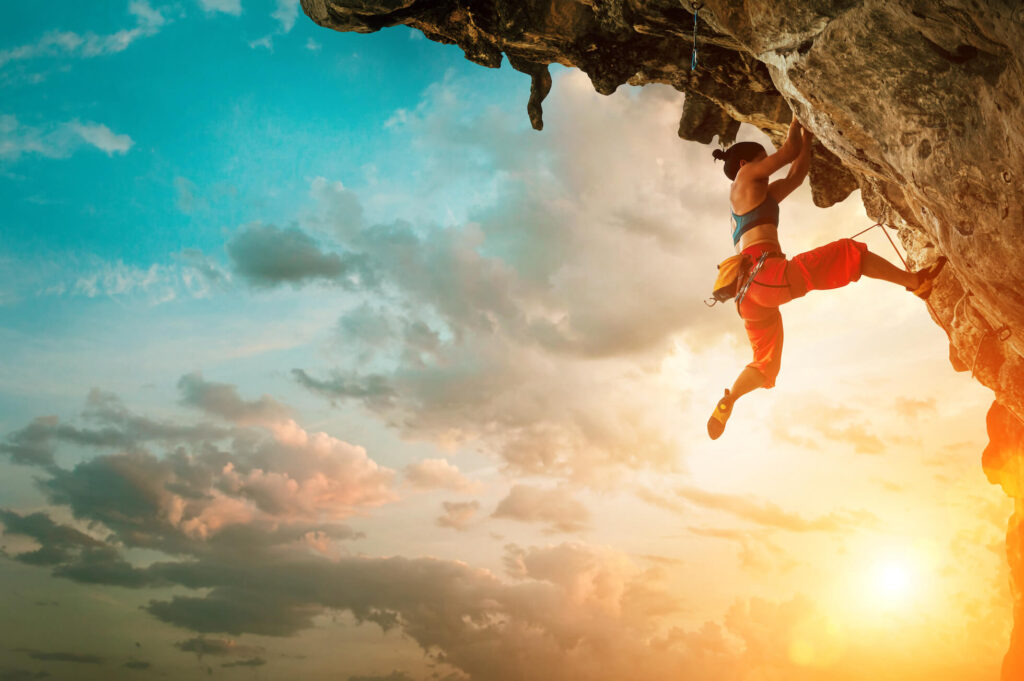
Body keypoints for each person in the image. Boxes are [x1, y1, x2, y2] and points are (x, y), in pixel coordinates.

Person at [706, 118, 946, 440]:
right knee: (848, 254)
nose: (766, 164)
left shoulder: (753, 199)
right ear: (746, 163)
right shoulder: (745, 176)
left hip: (748, 298)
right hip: (766, 277)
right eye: (763, 159)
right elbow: (788, 153)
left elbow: (796, 174)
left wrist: (807, 138)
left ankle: (731, 397)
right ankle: (915, 282)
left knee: (764, 364)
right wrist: (795, 118)